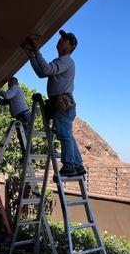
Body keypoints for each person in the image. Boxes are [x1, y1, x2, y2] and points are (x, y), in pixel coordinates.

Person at [21, 30, 86, 178]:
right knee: (67, 134)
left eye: (64, 40)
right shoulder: (61, 61)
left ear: (71, 46)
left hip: (62, 103)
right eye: (60, 39)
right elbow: (42, 73)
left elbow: (46, 69)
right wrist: (31, 54)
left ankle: (69, 167)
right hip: (61, 104)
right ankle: (78, 165)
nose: (60, 41)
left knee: (65, 135)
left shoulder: (66, 60)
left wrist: (35, 49)